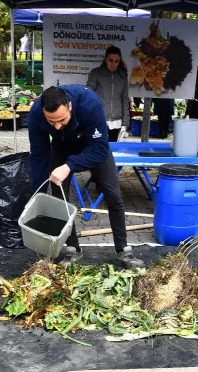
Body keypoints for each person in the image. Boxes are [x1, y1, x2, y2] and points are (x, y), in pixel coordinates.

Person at [28, 85, 144, 269]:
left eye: (61, 120)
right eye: (51, 122)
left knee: (113, 195)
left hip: (93, 146)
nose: (57, 126)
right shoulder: (36, 114)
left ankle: (123, 249)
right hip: (62, 147)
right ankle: (73, 248)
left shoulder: (89, 103)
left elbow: (99, 149)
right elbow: (38, 155)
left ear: (70, 106)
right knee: (60, 199)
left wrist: (69, 166)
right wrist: (37, 194)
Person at [86, 46, 130, 142]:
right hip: (99, 119)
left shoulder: (123, 76)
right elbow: (88, 97)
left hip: (117, 121)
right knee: (99, 149)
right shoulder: (95, 73)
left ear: (119, 61)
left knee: (114, 151)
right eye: (110, 60)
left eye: (116, 61)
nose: (113, 64)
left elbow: (125, 99)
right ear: (105, 59)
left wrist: (125, 122)